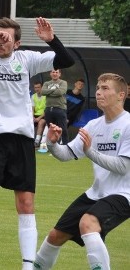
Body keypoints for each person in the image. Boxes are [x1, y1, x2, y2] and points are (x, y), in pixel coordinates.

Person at [0, 17, 74, 270]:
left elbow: (66, 60)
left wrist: (51, 39)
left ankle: (28, 265)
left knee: (26, 203)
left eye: (6, 37)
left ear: (17, 43)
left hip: (21, 138)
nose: (1, 41)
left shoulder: (26, 60)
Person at [33, 73, 130, 270]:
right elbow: (66, 154)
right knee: (55, 236)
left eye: (105, 88)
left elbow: (123, 167)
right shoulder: (93, 125)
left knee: (88, 224)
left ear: (121, 95)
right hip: (96, 193)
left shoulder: (128, 124)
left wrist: (90, 152)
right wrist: (52, 143)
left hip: (124, 194)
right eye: (98, 88)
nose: (99, 92)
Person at [42, 69, 69, 144]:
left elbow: (60, 92)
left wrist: (49, 92)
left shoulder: (63, 82)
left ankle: (66, 147)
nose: (55, 74)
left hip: (60, 109)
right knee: (51, 129)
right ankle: (54, 149)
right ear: (50, 74)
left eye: (56, 72)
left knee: (63, 129)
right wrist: (54, 90)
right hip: (48, 109)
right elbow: (43, 92)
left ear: (59, 74)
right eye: (53, 72)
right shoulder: (47, 83)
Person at [32, 82, 47, 151]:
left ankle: (37, 141)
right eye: (35, 87)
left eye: (38, 87)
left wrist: (38, 118)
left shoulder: (46, 96)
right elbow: (32, 108)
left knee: (41, 122)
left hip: (44, 115)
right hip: (35, 115)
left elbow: (46, 110)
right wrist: (33, 117)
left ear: (41, 88)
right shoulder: (33, 96)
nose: (37, 89)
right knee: (28, 123)